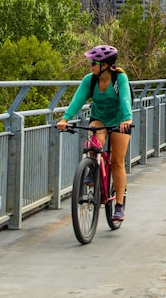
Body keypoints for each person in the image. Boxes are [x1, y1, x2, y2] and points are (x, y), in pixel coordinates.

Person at [57, 45, 133, 222]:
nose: (91, 65)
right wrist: (64, 119)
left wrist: (127, 119)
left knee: (117, 162)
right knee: (95, 141)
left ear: (105, 64)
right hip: (99, 118)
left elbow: (125, 99)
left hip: (120, 120)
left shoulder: (119, 78)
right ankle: (93, 167)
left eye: (94, 62)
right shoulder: (89, 80)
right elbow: (78, 100)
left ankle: (119, 205)